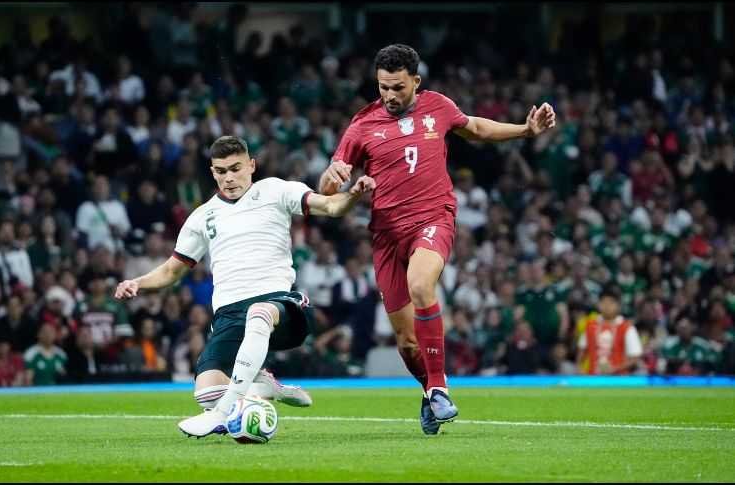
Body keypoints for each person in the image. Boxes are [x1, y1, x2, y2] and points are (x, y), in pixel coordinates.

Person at [319, 44, 556, 434]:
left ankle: (441, 388)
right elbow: (329, 184)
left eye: (397, 87)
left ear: (416, 81)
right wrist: (333, 180)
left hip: (433, 219)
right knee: (407, 344)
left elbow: (476, 128)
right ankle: (430, 389)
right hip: (386, 237)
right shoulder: (361, 125)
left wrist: (525, 129)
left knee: (421, 284)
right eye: (383, 87)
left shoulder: (439, 107)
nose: (390, 96)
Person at [115, 136, 376, 438]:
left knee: (258, 313)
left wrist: (354, 195)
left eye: (235, 168)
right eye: (220, 171)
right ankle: (259, 384)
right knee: (205, 392)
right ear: (212, 172)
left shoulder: (276, 190)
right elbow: (172, 269)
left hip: (280, 305)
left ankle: (222, 412)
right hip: (228, 316)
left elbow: (330, 206)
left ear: (251, 165)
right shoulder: (202, 217)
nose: (228, 177)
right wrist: (138, 282)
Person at [575, 284, 643, 375]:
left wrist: (614, 369)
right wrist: (579, 368)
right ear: (599, 304)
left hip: (619, 378)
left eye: (611, 303)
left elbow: (635, 357)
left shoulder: (627, 327)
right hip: (592, 377)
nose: (607, 306)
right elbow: (581, 349)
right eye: (603, 302)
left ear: (618, 305)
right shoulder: (591, 325)